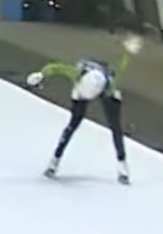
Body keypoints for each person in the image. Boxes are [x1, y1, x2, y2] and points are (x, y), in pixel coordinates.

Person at [24, 36, 140, 184]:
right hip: (86, 86)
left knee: (115, 126)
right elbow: (56, 68)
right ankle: (55, 160)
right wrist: (41, 74)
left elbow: (121, 66)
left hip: (103, 88)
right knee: (73, 124)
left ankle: (122, 166)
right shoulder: (77, 74)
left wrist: (128, 52)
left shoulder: (110, 86)